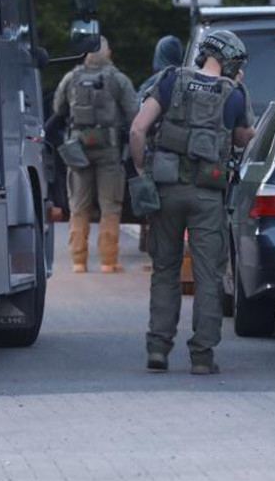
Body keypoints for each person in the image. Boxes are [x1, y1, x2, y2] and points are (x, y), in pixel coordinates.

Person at [129, 29, 255, 375]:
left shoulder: (171, 80)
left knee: (165, 270)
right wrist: (238, 93)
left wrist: (143, 170)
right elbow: (245, 138)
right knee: (208, 277)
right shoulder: (234, 94)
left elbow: (138, 129)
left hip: (167, 191)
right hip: (207, 195)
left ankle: (158, 348)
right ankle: (202, 356)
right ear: (232, 61)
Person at [52, 36, 139, 273]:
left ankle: (78, 261)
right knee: (110, 206)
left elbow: (58, 108)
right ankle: (108, 261)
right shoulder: (118, 79)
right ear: (107, 54)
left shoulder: (72, 78)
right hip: (109, 150)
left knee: (78, 206)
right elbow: (134, 114)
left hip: (78, 149)